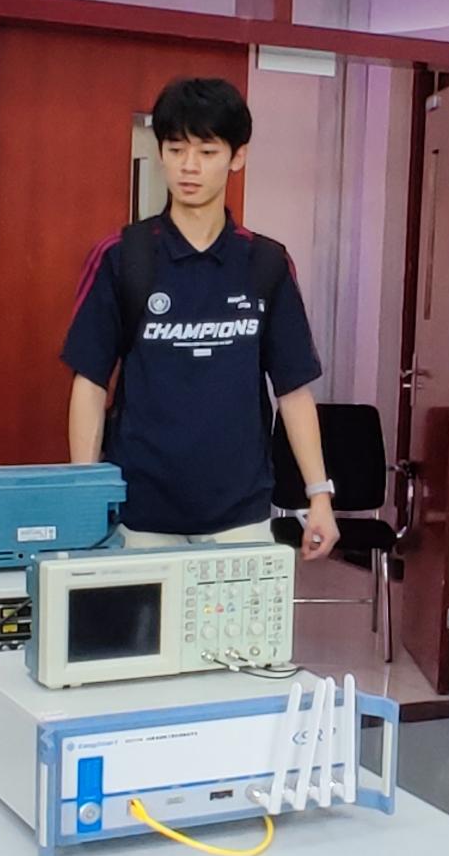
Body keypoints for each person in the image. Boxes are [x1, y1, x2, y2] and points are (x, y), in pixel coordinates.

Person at [63, 77, 337, 558]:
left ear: (237, 156)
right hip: (140, 513)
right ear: (161, 154)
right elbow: (89, 382)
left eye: (207, 152)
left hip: (240, 514)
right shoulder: (122, 257)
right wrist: (85, 494)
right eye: (176, 149)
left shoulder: (266, 263)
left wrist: (319, 494)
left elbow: (292, 389)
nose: (189, 166)